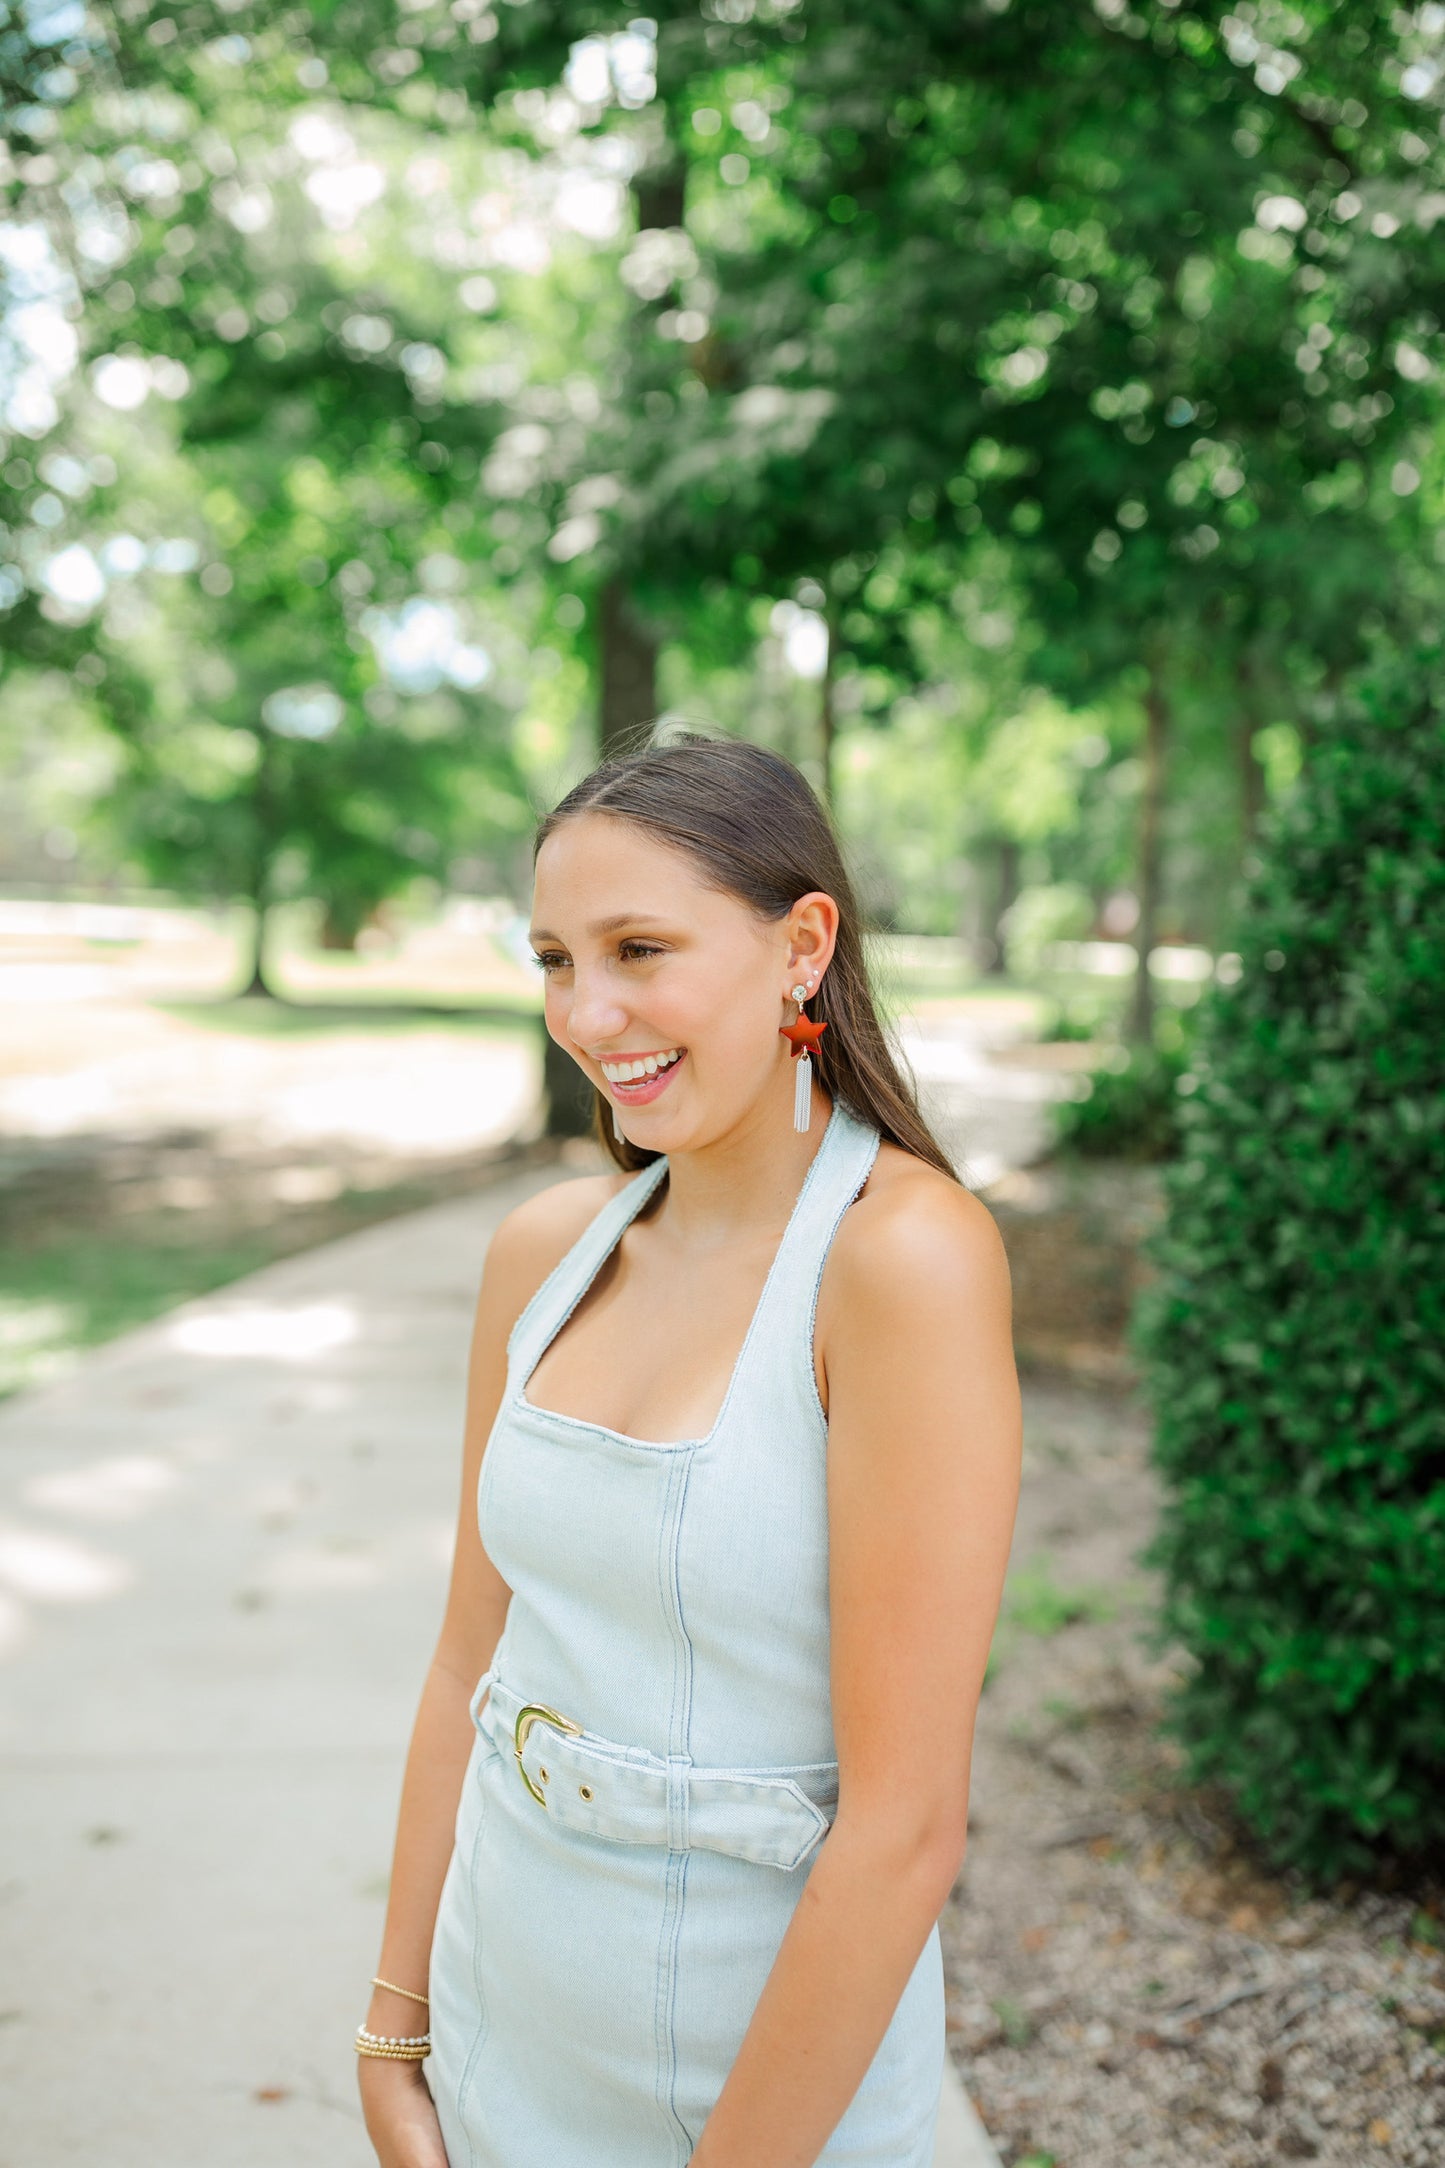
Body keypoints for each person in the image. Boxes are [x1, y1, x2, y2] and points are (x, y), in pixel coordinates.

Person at [357, 734, 1021, 2168]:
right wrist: (398, 2035)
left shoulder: (900, 1263)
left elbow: (902, 1831)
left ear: (801, 948)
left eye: (638, 948)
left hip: (759, 2109)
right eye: (551, 959)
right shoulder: (542, 1255)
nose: (588, 1014)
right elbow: (466, 1667)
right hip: (494, 2045)